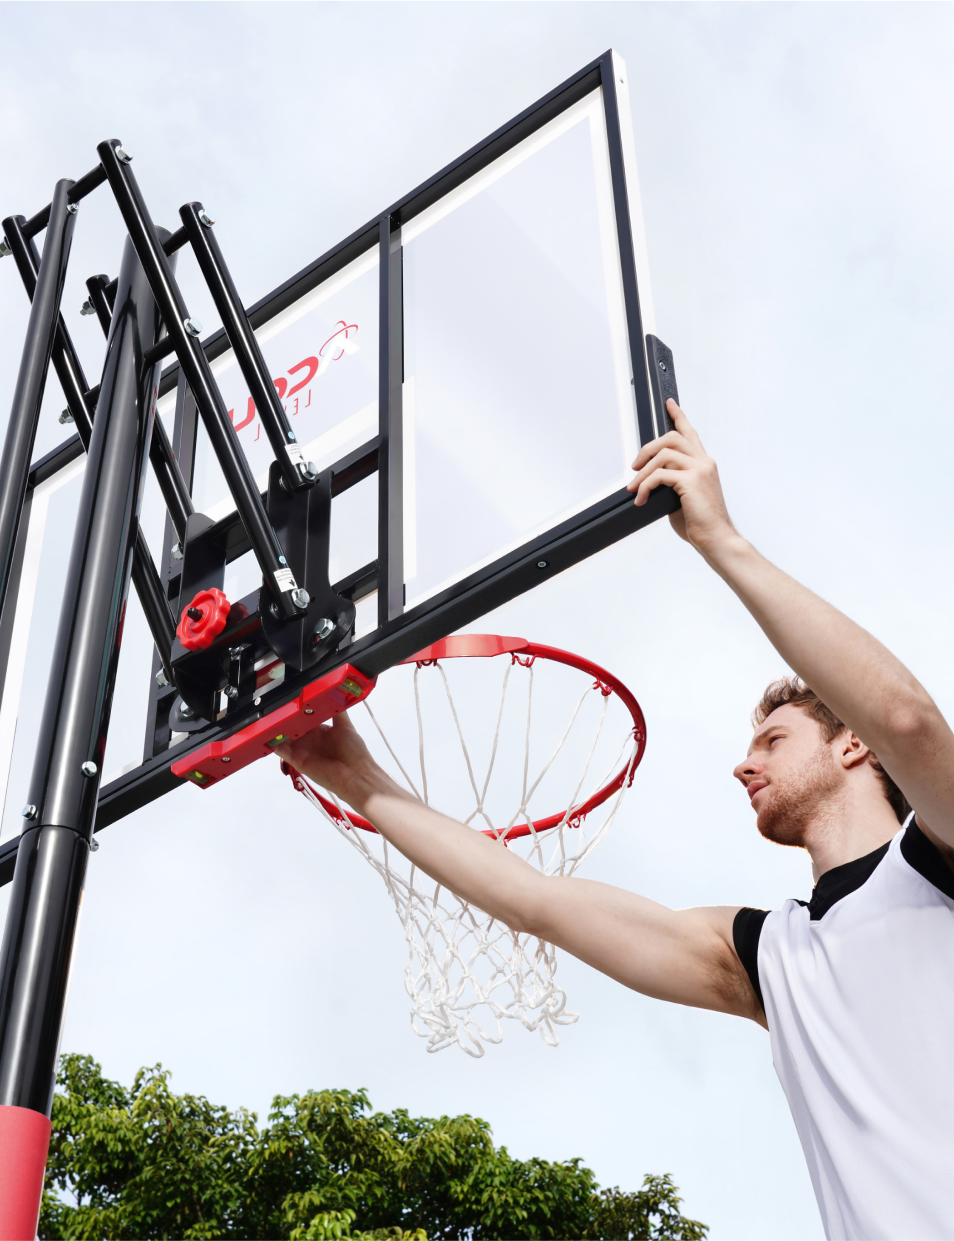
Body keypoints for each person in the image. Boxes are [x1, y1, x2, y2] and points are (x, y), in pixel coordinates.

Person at [278, 400, 954, 1241]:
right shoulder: (771, 954)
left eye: (774, 739)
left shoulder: (936, 860)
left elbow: (912, 721)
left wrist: (721, 540)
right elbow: (535, 902)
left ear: (854, 745)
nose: (745, 763)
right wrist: (354, 775)